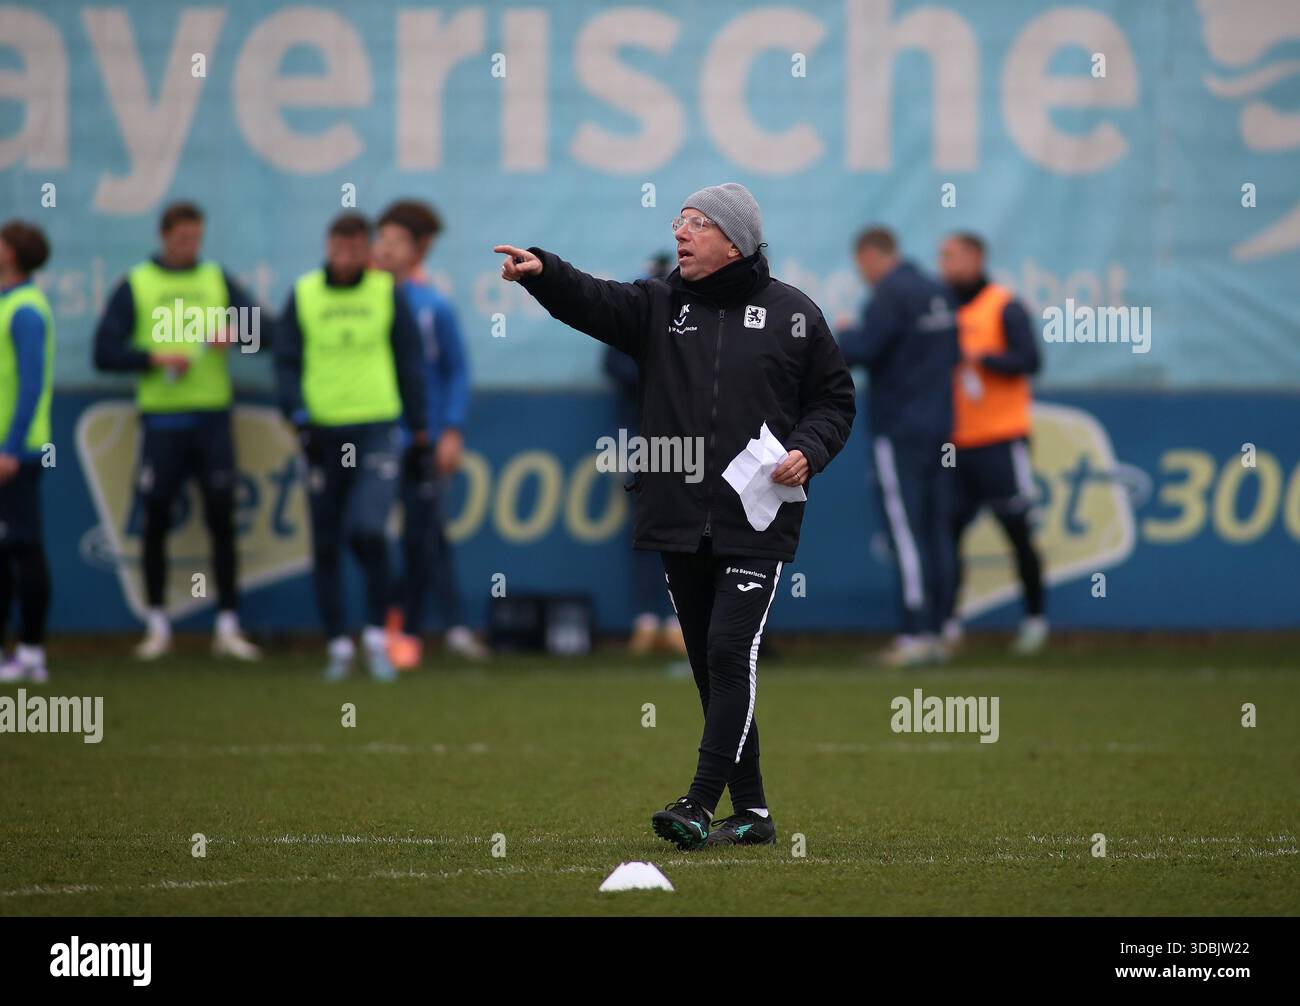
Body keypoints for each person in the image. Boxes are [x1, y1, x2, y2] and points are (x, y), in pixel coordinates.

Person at [495, 182, 855, 850]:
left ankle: (698, 802)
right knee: (708, 666)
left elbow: (835, 400)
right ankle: (753, 812)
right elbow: (594, 299)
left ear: (733, 240)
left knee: (727, 652)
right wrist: (544, 274)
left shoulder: (794, 314)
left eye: (695, 223)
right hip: (677, 511)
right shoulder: (658, 305)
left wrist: (810, 449)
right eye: (680, 221)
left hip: (758, 516)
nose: (680, 232)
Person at [92, 201, 261, 661]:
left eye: (196, 239)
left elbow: (266, 329)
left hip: (211, 419)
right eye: (182, 238)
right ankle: (158, 623)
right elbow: (104, 352)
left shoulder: (216, 279)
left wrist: (238, 333)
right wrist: (153, 358)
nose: (190, 247)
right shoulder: (137, 284)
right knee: (156, 518)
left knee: (222, 517)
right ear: (164, 235)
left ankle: (227, 624)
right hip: (162, 421)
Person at [275, 213, 428, 681]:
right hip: (322, 433)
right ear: (328, 245)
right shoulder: (304, 293)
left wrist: (420, 428)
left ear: (365, 249)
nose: (345, 254)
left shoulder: (385, 291)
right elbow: (285, 361)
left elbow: (409, 360)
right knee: (325, 539)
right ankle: (339, 644)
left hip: (376, 429)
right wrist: (297, 416)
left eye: (354, 246)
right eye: (338, 245)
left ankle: (379, 636)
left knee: (368, 529)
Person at [371, 199, 488, 666]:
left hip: (421, 437)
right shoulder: (364, 301)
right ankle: (396, 626)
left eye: (395, 242)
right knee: (377, 533)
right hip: (372, 434)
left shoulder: (432, 306)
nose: (384, 250)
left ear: (417, 250)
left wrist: (450, 431)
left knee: (421, 534)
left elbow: (457, 371)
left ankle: (409, 631)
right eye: (381, 240)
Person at [839, 227, 959, 667]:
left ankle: (914, 634)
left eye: (861, 266)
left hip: (900, 429)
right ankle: (942, 627)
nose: (862, 275)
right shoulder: (937, 291)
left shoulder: (889, 295)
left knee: (907, 534)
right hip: (940, 427)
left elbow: (862, 350)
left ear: (872, 254)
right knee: (936, 531)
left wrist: (847, 333)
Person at [937, 232, 1046, 654]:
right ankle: (948, 624)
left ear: (977, 257)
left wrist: (982, 359)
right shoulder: (941, 307)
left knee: (1017, 530)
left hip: (1001, 439)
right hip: (955, 443)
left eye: (954, 256)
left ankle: (1035, 620)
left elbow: (1030, 360)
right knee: (947, 534)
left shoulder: (1004, 305)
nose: (946, 264)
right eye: (943, 257)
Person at [601, 251, 687, 657]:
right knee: (642, 529)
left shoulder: (690, 323)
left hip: (681, 439)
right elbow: (613, 367)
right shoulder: (630, 320)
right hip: (637, 437)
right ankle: (646, 620)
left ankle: (677, 621)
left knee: (683, 531)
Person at [0, 222, 54, 683]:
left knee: (24, 548)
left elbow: (32, 383)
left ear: (14, 254)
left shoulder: (26, 310)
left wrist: (11, 447)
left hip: (17, 452)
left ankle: (33, 651)